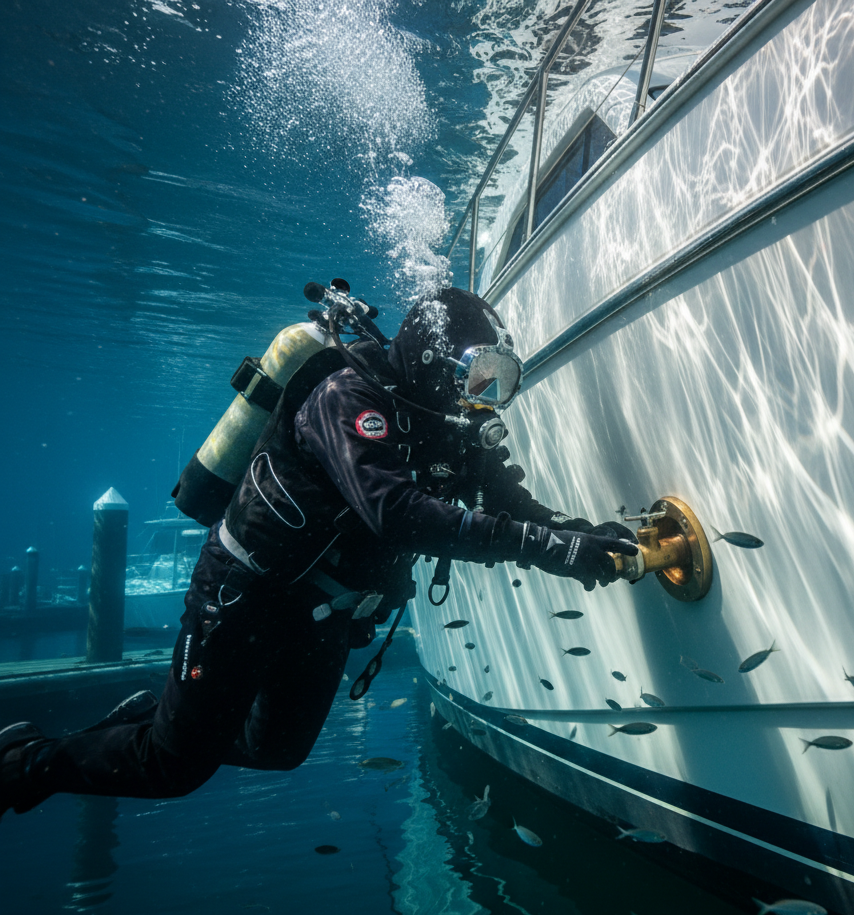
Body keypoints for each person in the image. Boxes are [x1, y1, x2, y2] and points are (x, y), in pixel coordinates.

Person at [0, 287, 637, 819]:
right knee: (173, 768)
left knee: (277, 751)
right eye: (474, 372)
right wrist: (542, 548)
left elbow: (511, 501)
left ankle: (159, 715)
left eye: (496, 379)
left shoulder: (446, 424)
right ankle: (25, 763)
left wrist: (581, 537)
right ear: (434, 360)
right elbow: (396, 512)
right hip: (246, 595)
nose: (480, 394)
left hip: (326, 614)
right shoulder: (346, 397)